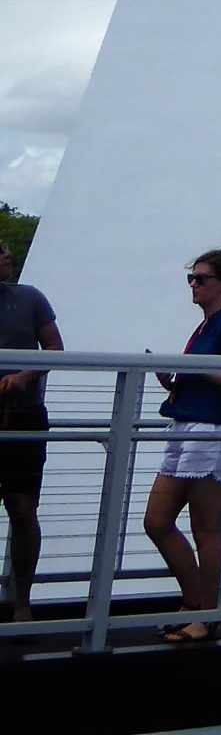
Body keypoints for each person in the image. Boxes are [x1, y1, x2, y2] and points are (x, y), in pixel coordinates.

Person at [145, 245, 221, 643]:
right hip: (186, 425)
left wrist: (193, 368)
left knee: (206, 529)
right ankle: (194, 600)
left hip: (212, 432)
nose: (193, 285)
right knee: (156, 521)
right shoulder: (206, 325)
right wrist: (174, 380)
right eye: (191, 278)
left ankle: (206, 612)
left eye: (201, 278)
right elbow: (211, 376)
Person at [0, 239, 63, 624]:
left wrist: (24, 375)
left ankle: (21, 602)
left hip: (24, 416)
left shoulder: (30, 298)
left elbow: (54, 348)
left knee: (23, 509)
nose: (6, 255)